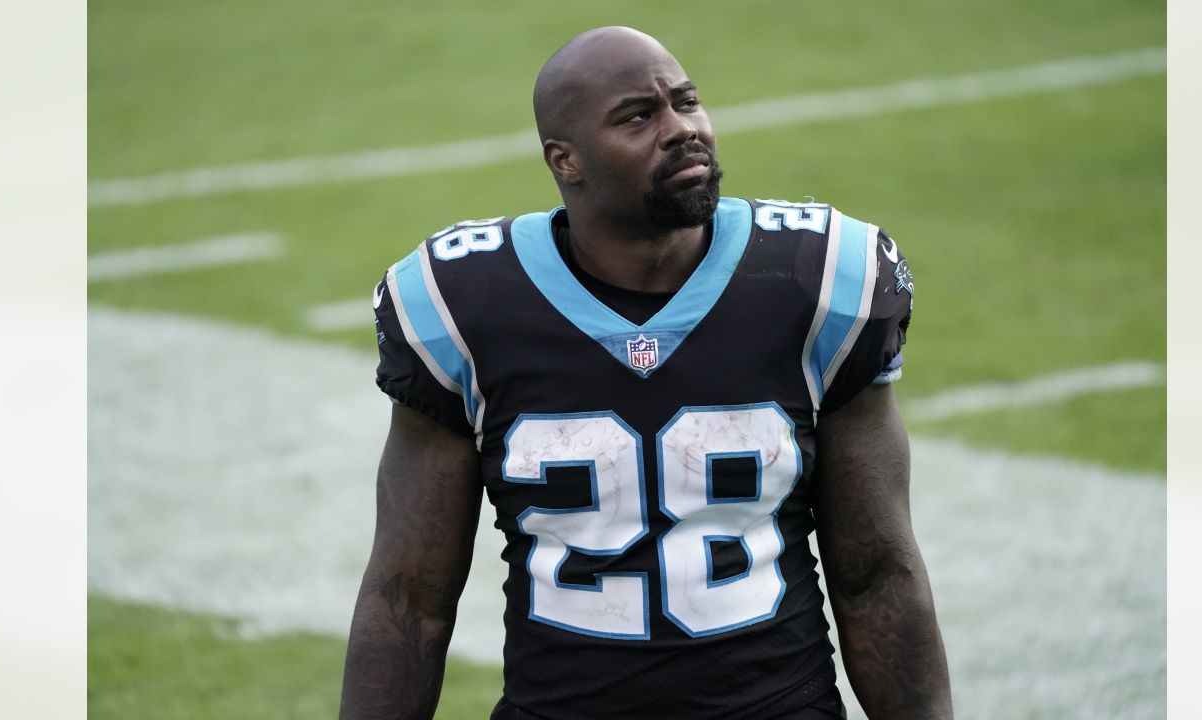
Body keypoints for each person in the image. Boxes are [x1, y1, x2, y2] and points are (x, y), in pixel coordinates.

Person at [339, 25, 951, 720]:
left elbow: (877, 575)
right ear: (565, 160)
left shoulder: (816, 282)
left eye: (686, 103)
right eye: (638, 116)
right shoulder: (461, 305)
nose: (681, 130)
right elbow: (408, 596)